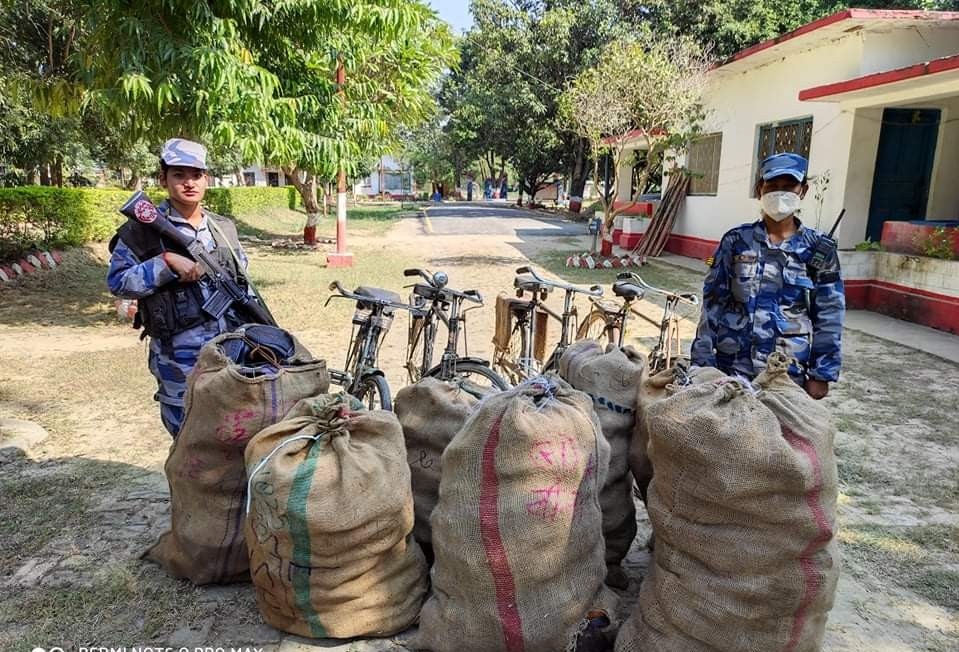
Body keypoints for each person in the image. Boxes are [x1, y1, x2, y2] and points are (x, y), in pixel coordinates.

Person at [107, 138, 253, 436]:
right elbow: (119, 281)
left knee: (233, 438)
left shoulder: (222, 228)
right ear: (163, 178)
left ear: (206, 178)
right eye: (179, 174)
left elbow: (243, 283)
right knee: (188, 443)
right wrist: (164, 263)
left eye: (196, 175)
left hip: (230, 354)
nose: (189, 183)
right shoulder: (142, 231)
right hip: (179, 361)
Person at [690, 152, 845, 399]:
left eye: (788, 187)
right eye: (772, 186)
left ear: (802, 190)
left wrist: (821, 373)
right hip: (731, 367)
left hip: (786, 371)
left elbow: (829, 314)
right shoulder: (736, 241)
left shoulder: (817, 249)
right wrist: (702, 360)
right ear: (760, 189)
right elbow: (713, 303)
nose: (779, 193)